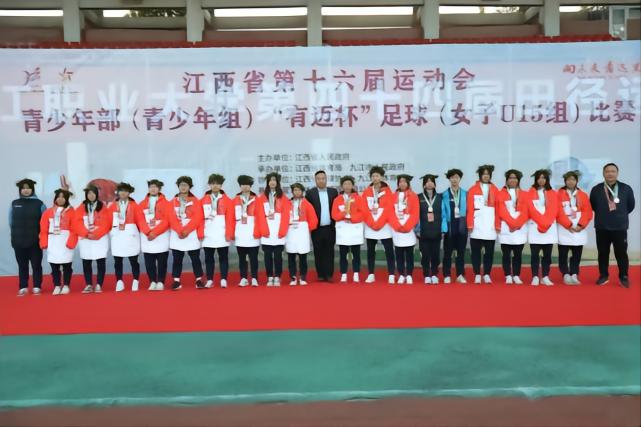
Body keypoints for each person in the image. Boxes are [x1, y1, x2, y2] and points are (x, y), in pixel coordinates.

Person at [589, 163, 636, 287]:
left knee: (621, 253)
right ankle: (603, 275)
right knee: (602, 253)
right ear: (603, 173)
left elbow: (630, 205)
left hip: (620, 227)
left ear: (617, 173)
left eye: (613, 171)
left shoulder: (626, 188)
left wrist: (619, 215)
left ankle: (623, 276)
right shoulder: (596, 189)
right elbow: (593, 205)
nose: (610, 173)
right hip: (602, 226)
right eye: (607, 171)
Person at [557, 170, 594, 285]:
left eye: (573, 179)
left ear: (577, 181)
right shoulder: (558, 194)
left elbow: (588, 212)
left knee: (577, 254)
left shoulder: (583, 195)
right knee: (563, 254)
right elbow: (558, 211)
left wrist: (581, 225)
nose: (571, 182)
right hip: (564, 228)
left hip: (579, 229)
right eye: (568, 179)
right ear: (565, 181)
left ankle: (574, 273)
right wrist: (568, 225)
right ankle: (565, 274)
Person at [168, 176, 205, 291]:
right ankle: (176, 281)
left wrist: (187, 230)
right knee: (177, 259)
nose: (183, 187)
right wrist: (180, 230)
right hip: (177, 233)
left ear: (190, 187)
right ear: (178, 186)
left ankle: (199, 279)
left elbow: (198, 217)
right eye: (181, 185)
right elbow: (171, 217)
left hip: (191, 232)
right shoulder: (172, 201)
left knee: (195, 258)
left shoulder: (196, 201)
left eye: (185, 185)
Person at [10, 178, 45, 296]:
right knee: (22, 265)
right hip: (18, 240)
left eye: (28, 188)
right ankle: (23, 286)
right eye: (23, 188)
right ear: (20, 190)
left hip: (35, 241)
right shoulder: (14, 203)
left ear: (32, 189)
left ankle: (37, 286)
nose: (26, 190)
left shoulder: (39, 204)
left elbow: (44, 222)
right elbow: (10, 222)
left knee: (36, 265)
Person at [39, 189, 78, 295]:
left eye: (63, 197)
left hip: (66, 241)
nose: (60, 199)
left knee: (67, 265)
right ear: (55, 198)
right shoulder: (48, 212)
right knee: (54, 265)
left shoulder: (72, 212)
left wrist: (71, 242)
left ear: (67, 199)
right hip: (53, 241)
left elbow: (75, 229)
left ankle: (66, 285)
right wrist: (43, 242)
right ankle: (56, 285)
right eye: (58, 197)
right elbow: (43, 228)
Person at [73, 184, 111, 294]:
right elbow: (76, 222)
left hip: (99, 238)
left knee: (100, 261)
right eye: (89, 193)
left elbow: (107, 223)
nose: (91, 195)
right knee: (86, 261)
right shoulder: (81, 207)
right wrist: (86, 233)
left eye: (93, 193)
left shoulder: (103, 206)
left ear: (97, 194)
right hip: (86, 238)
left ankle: (99, 284)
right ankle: (89, 284)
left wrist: (96, 234)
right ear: (86, 195)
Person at [256, 172, 291, 287]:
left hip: (278, 229)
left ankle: (277, 276)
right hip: (266, 229)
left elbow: (286, 216)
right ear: (267, 183)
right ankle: (269, 276)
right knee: (267, 256)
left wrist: (283, 231)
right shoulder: (261, 198)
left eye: (274, 180)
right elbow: (259, 215)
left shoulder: (283, 197)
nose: (272, 182)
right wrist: (263, 230)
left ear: (278, 182)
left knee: (278, 256)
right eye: (270, 180)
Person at [361, 166, 395, 284]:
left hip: (384, 225)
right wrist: (372, 222)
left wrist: (380, 222)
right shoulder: (367, 191)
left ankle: (391, 274)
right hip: (370, 225)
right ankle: (371, 274)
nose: (375, 178)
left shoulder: (388, 191)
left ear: (382, 177)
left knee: (389, 251)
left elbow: (389, 208)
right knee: (371, 251)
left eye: (377, 176)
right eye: (373, 176)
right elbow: (364, 208)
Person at [201, 174, 235, 289]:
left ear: (221, 185)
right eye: (213, 183)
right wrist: (201, 233)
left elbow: (230, 219)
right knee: (208, 258)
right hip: (208, 233)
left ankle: (223, 279)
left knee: (223, 258)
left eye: (218, 183)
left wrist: (229, 233)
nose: (215, 186)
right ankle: (210, 280)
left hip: (222, 233)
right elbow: (200, 219)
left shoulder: (228, 201)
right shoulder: (202, 200)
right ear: (209, 185)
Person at [466, 165, 499, 284]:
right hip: (477, 225)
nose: (486, 176)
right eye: (484, 174)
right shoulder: (472, 189)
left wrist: (497, 225)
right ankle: (477, 274)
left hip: (490, 225)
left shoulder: (495, 189)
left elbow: (498, 209)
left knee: (489, 252)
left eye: (488, 174)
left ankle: (487, 274)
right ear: (480, 175)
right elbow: (470, 208)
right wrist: (470, 224)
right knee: (475, 252)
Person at [496, 170, 529, 285]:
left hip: (519, 228)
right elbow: (501, 211)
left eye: (515, 178)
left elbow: (526, 212)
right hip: (506, 227)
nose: (513, 180)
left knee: (518, 254)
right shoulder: (500, 194)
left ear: (518, 180)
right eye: (510, 178)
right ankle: (507, 275)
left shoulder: (525, 194)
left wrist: (517, 224)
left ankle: (516, 275)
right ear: (507, 180)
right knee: (506, 254)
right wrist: (511, 224)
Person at [108, 182, 142, 292]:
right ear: (118, 192)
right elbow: (108, 221)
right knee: (117, 260)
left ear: (129, 193)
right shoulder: (112, 206)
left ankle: (135, 280)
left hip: (131, 235)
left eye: (125, 191)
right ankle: (119, 281)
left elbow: (140, 221)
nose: (123, 193)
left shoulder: (135, 205)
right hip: (117, 235)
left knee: (134, 260)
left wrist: (144, 232)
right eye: (121, 190)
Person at [138, 179, 171, 291]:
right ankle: (152, 281)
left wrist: (155, 232)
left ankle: (161, 281)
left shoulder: (167, 203)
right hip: (147, 235)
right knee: (149, 262)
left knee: (162, 261)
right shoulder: (142, 204)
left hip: (161, 235)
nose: (153, 189)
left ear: (159, 189)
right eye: (151, 187)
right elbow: (140, 219)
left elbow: (167, 220)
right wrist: (148, 232)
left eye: (155, 187)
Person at [527, 169, 558, 286]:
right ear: (536, 179)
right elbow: (530, 209)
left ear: (547, 179)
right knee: (534, 255)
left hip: (549, 228)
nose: (541, 180)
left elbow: (555, 209)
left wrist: (546, 223)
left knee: (547, 256)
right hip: (535, 227)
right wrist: (541, 222)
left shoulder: (553, 193)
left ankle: (545, 276)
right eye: (539, 178)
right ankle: (535, 276)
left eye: (544, 178)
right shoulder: (530, 192)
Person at [305, 170, 338, 282]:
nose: (321, 181)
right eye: (318, 179)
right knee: (318, 251)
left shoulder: (333, 192)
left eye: (323, 178)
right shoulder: (310, 193)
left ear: (326, 179)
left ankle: (329, 274)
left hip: (330, 227)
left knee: (329, 251)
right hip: (316, 228)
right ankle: (320, 274)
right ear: (315, 180)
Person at [332, 175, 365, 283]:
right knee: (343, 254)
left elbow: (362, 213)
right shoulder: (337, 199)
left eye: (349, 184)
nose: (347, 186)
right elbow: (334, 215)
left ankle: (356, 273)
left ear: (353, 186)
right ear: (342, 186)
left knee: (356, 254)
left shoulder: (358, 198)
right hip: (343, 229)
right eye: (345, 184)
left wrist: (351, 218)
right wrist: (344, 213)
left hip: (355, 228)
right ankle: (344, 274)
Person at [285, 183, 318, 285]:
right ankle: (293, 277)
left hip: (302, 231)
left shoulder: (307, 204)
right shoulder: (287, 203)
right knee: (291, 255)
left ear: (302, 192)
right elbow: (284, 217)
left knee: (303, 256)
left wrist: (308, 228)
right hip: (291, 230)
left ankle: (303, 277)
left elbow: (313, 219)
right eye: (295, 190)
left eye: (299, 190)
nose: (297, 192)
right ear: (292, 192)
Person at [389, 174, 420, 284]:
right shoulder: (393, 196)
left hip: (409, 229)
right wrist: (397, 226)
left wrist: (407, 226)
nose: (402, 183)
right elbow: (390, 213)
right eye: (400, 182)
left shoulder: (413, 196)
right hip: (397, 228)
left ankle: (410, 274)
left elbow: (415, 213)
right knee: (399, 254)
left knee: (409, 254)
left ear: (408, 183)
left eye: (404, 182)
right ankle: (401, 274)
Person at [232, 175, 261, 287]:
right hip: (240, 233)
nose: (245, 186)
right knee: (242, 258)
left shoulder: (257, 200)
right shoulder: (234, 200)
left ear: (251, 186)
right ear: (240, 186)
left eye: (247, 184)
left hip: (253, 233)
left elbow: (261, 217)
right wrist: (232, 232)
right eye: (243, 184)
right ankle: (243, 278)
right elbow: (231, 218)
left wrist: (258, 231)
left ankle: (254, 278)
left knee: (253, 258)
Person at [441, 169, 468, 284]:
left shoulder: (465, 194)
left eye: (456, 177)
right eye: (452, 177)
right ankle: (446, 275)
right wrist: (443, 228)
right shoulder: (444, 195)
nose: (454, 180)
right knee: (447, 253)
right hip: (449, 227)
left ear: (460, 179)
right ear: (449, 179)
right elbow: (442, 213)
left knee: (461, 253)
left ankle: (460, 274)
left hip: (462, 227)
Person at [415, 174, 442, 284]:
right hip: (423, 231)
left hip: (437, 230)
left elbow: (444, 215)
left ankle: (434, 274)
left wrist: (443, 229)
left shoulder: (440, 197)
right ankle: (426, 274)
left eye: (431, 181)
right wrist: (417, 230)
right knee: (425, 254)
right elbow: (416, 215)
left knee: (435, 254)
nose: (429, 183)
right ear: (424, 184)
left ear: (434, 184)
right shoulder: (418, 197)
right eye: (427, 181)